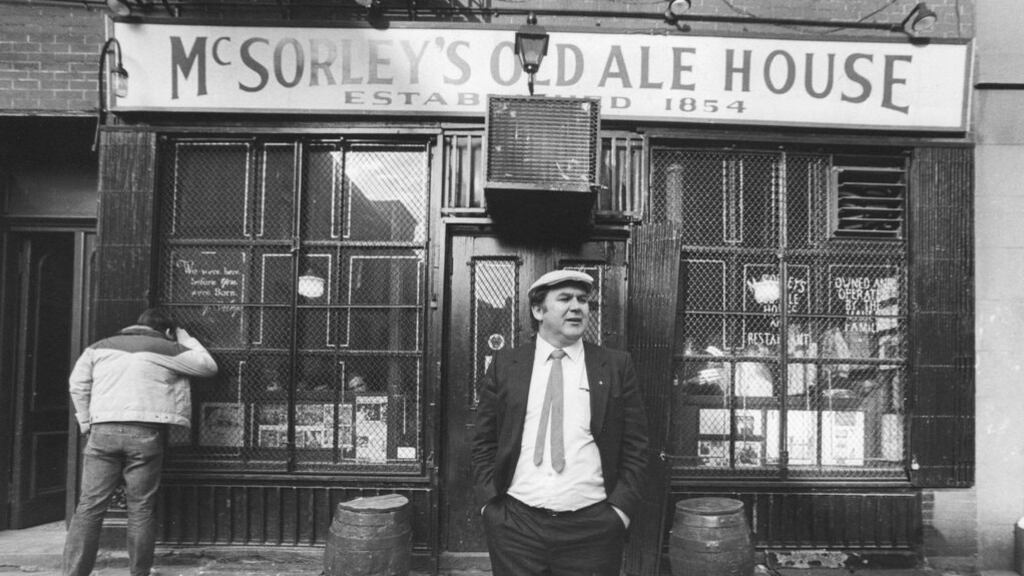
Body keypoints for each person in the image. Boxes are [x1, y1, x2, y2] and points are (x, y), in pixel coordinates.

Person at [471, 269, 649, 576]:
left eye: (583, 300)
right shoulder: (506, 366)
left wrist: (620, 511)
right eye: (565, 299)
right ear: (538, 310)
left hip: (593, 528)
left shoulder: (616, 366)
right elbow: (484, 441)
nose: (577, 307)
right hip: (516, 526)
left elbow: (637, 445)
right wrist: (491, 506)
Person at [63, 308, 218, 576]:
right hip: (144, 432)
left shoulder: (97, 347)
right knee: (141, 508)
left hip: (103, 431)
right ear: (167, 331)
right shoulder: (168, 347)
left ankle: (74, 574)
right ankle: (139, 572)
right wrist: (184, 336)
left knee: (89, 506)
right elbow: (208, 366)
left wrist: (86, 421)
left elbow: (77, 384)